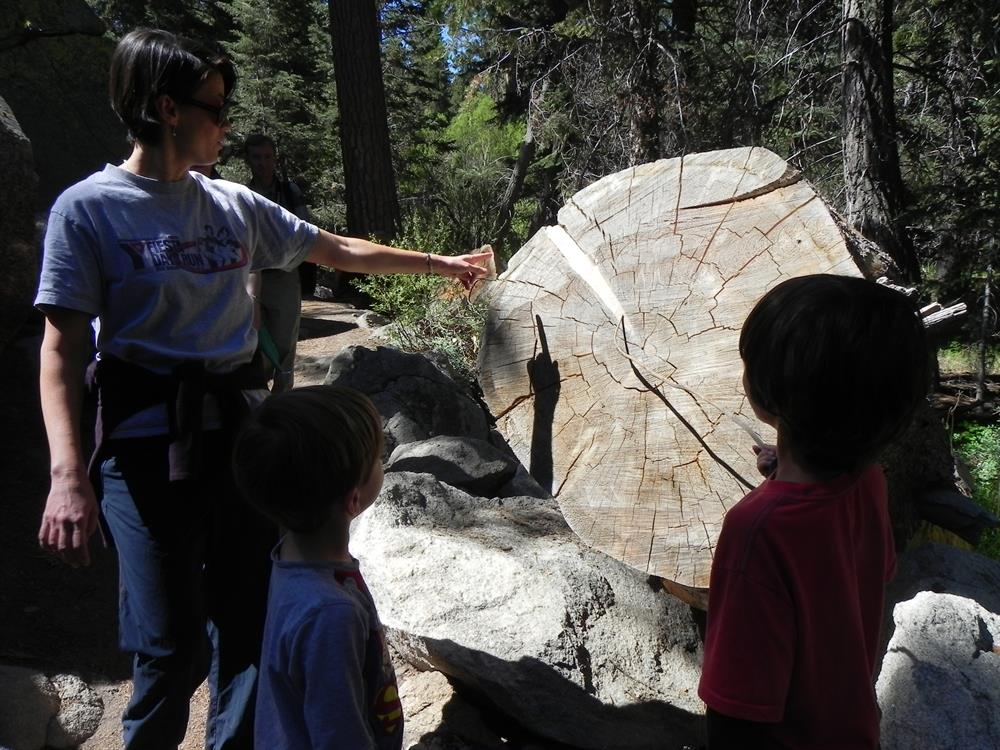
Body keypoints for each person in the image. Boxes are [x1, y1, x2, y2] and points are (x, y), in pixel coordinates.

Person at [34, 27, 489, 750]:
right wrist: (67, 478)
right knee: (168, 646)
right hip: (146, 445)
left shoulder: (233, 205)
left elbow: (334, 249)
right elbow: (59, 350)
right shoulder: (88, 210)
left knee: (247, 629)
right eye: (215, 107)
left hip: (242, 444)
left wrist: (441, 263)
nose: (227, 123)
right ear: (166, 107)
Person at [698, 274, 929, 750]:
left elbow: (735, 715)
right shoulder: (868, 481)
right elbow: (850, 566)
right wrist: (787, 471)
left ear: (767, 390)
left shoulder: (756, 532)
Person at [231, 385, 401, 749]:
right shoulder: (331, 613)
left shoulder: (288, 556)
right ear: (353, 499)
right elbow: (339, 734)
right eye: (377, 458)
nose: (381, 463)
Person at [244, 133, 312, 391]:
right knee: (255, 342)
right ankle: (258, 400)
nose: (262, 163)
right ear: (248, 160)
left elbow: (304, 229)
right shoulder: (244, 194)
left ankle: (283, 402)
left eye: (267, 157)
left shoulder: (289, 192)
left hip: (284, 275)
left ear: (276, 159)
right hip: (252, 276)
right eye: (256, 158)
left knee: (284, 345)